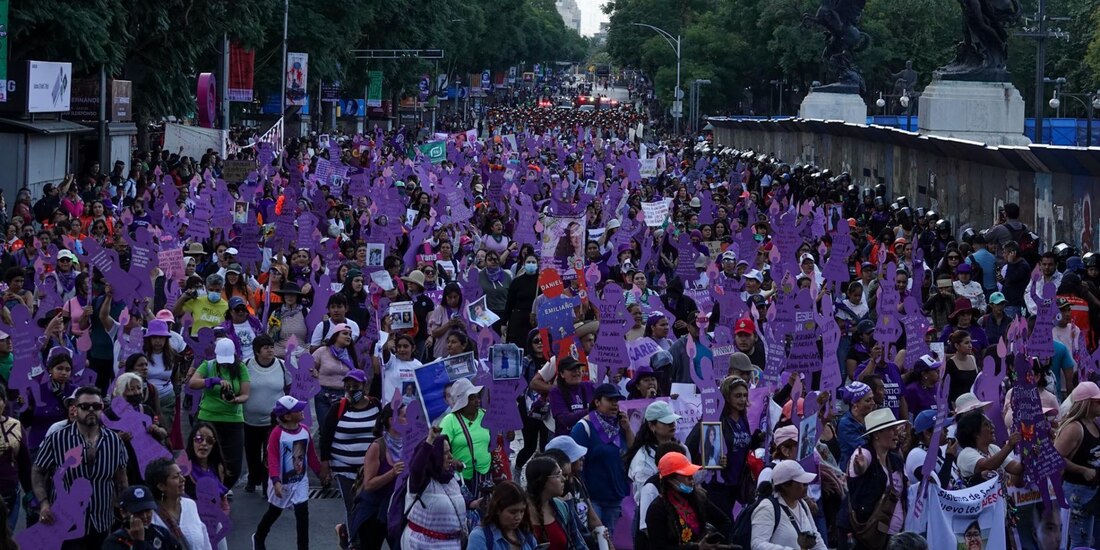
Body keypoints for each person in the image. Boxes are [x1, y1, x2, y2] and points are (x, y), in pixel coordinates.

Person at [32, 386, 129, 549]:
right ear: (75, 409)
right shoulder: (57, 439)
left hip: (102, 521)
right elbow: (37, 470)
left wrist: (126, 508)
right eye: (85, 406)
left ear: (102, 409)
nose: (91, 410)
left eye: (96, 406)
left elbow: (121, 478)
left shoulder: (114, 441)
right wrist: (44, 503)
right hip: (64, 522)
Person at [253, 396, 327, 550]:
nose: (302, 411)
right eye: (297, 410)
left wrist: (320, 472)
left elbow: (311, 455)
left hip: (300, 482)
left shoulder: (305, 431)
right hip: (281, 483)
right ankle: (259, 536)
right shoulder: (277, 434)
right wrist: (275, 480)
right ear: (287, 416)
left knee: (302, 514)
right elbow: (272, 459)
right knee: (274, 512)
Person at [319, 368, 379, 548]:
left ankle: (345, 530)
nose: (352, 389)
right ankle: (354, 542)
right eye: (348, 386)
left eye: (356, 385)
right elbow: (326, 436)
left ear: (365, 386)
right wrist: (325, 465)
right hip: (343, 466)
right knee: (352, 505)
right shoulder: (339, 408)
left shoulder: (376, 405)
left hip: (369, 468)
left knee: (369, 506)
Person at [569, 382, 633, 537]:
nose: (615, 404)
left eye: (617, 400)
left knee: (607, 539)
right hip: (592, 498)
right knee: (594, 539)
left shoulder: (619, 426)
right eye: (610, 400)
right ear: (597, 402)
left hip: (614, 496)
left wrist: (628, 428)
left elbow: (632, 452)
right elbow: (574, 463)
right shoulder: (583, 428)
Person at [187, 338, 250, 491]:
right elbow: (193, 383)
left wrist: (235, 400)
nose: (225, 364)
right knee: (204, 456)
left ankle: (222, 489)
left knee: (234, 463)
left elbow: (245, 394)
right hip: (208, 419)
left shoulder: (240, 368)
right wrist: (212, 381)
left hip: (233, 420)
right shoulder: (208, 366)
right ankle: (205, 489)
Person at [687, 376, 753, 519]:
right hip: (716, 485)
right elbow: (689, 446)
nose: (742, 400)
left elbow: (742, 444)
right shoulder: (713, 418)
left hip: (736, 484)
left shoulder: (743, 419)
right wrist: (712, 459)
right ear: (727, 398)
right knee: (724, 526)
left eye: (745, 395)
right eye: (737, 396)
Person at [846, 408, 909, 549]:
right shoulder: (864, 453)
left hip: (894, 536)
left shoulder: (895, 459)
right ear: (876, 434)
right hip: (868, 536)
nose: (896, 433)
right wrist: (860, 468)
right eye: (891, 429)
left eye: (895, 428)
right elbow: (859, 469)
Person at [644, 451, 733, 549]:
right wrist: (696, 548)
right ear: (671, 479)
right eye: (687, 475)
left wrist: (714, 542)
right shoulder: (657, 509)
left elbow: (724, 522)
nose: (691, 479)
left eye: (691, 474)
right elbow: (659, 547)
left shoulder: (698, 498)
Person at [400, 427, 468, 549]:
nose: (450, 456)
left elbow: (454, 502)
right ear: (434, 455)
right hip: (422, 545)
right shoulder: (420, 481)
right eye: (445, 453)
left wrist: (473, 503)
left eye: (450, 451)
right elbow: (416, 468)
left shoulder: (451, 478)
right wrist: (430, 440)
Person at [352, 403, 405, 550]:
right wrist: (392, 473)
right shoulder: (377, 447)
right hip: (373, 512)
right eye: (405, 416)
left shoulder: (409, 444)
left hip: (396, 509)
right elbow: (368, 484)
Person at [1053, 381, 1100, 548]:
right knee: (1080, 542)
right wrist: (1083, 470)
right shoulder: (1074, 428)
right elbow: (1055, 458)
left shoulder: (1094, 423)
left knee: (1091, 542)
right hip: (1077, 492)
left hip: (1093, 492)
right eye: (1098, 402)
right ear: (1086, 404)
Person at [242, 334, 288, 494]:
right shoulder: (246, 365)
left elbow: (288, 388)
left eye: (271, 347)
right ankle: (252, 479)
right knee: (251, 452)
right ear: (256, 351)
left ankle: (267, 482)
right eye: (266, 348)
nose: (270, 350)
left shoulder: (282, 365)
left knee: (270, 453)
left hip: (274, 420)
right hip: (250, 419)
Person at [750, 460, 829, 550]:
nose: (806, 486)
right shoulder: (767, 508)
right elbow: (757, 544)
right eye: (802, 483)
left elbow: (816, 537)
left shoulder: (802, 504)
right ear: (785, 486)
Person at [146, 457, 213, 550]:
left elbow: (205, 541)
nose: (182, 479)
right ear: (161, 486)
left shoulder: (190, 505)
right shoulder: (151, 516)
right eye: (176, 477)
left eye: (181, 474)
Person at [439, 378, 491, 495]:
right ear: (462, 402)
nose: (477, 401)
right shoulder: (450, 421)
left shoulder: (485, 415)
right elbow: (438, 448)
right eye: (472, 398)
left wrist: (508, 436)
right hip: (461, 478)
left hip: (485, 476)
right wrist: (453, 461)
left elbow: (496, 443)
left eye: (478, 396)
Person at [525, 456, 588, 550]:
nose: (564, 479)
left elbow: (577, 543)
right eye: (558, 475)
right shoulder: (520, 512)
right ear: (543, 481)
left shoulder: (562, 507)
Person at [626, 401, 682, 505]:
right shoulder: (642, 461)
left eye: (673, 420)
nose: (672, 424)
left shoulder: (682, 448)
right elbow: (645, 499)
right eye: (666, 422)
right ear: (652, 425)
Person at [103, 485, 183, 550]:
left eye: (148, 510)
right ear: (123, 512)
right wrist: (139, 542)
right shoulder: (115, 541)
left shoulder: (162, 533)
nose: (144, 516)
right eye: (138, 512)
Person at [466, 480, 540, 550]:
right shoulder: (480, 537)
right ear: (498, 509)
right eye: (513, 512)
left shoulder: (526, 535)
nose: (518, 517)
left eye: (522, 511)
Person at [311, 323, 361, 424]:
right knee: (325, 428)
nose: (348, 337)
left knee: (341, 427)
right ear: (336, 336)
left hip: (344, 396)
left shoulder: (351, 355)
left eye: (350, 335)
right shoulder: (322, 351)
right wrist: (313, 371)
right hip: (323, 395)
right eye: (345, 333)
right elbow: (308, 366)